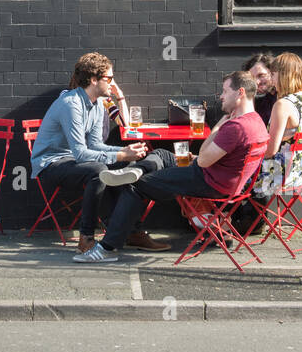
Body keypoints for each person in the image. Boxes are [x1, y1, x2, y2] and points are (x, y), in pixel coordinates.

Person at [74, 70, 269, 263]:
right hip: (225, 180)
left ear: (240, 92)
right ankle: (134, 170)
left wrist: (217, 127)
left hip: (210, 180)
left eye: (226, 91)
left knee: (136, 187)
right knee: (162, 154)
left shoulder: (235, 126)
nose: (221, 96)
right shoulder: (256, 121)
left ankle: (106, 248)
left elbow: (203, 161)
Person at [30, 52, 172, 252]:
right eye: (109, 78)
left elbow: (96, 145)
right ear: (93, 80)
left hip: (72, 160)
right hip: (51, 164)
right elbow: (80, 153)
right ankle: (86, 237)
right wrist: (120, 155)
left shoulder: (97, 104)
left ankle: (131, 231)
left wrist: (125, 151)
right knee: (98, 170)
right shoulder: (71, 104)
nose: (112, 84)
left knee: (129, 165)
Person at [259, 52, 302, 199]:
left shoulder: (282, 104)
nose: (271, 80)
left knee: (235, 169)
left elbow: (270, 151)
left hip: (280, 176)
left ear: (282, 76)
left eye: (273, 74)